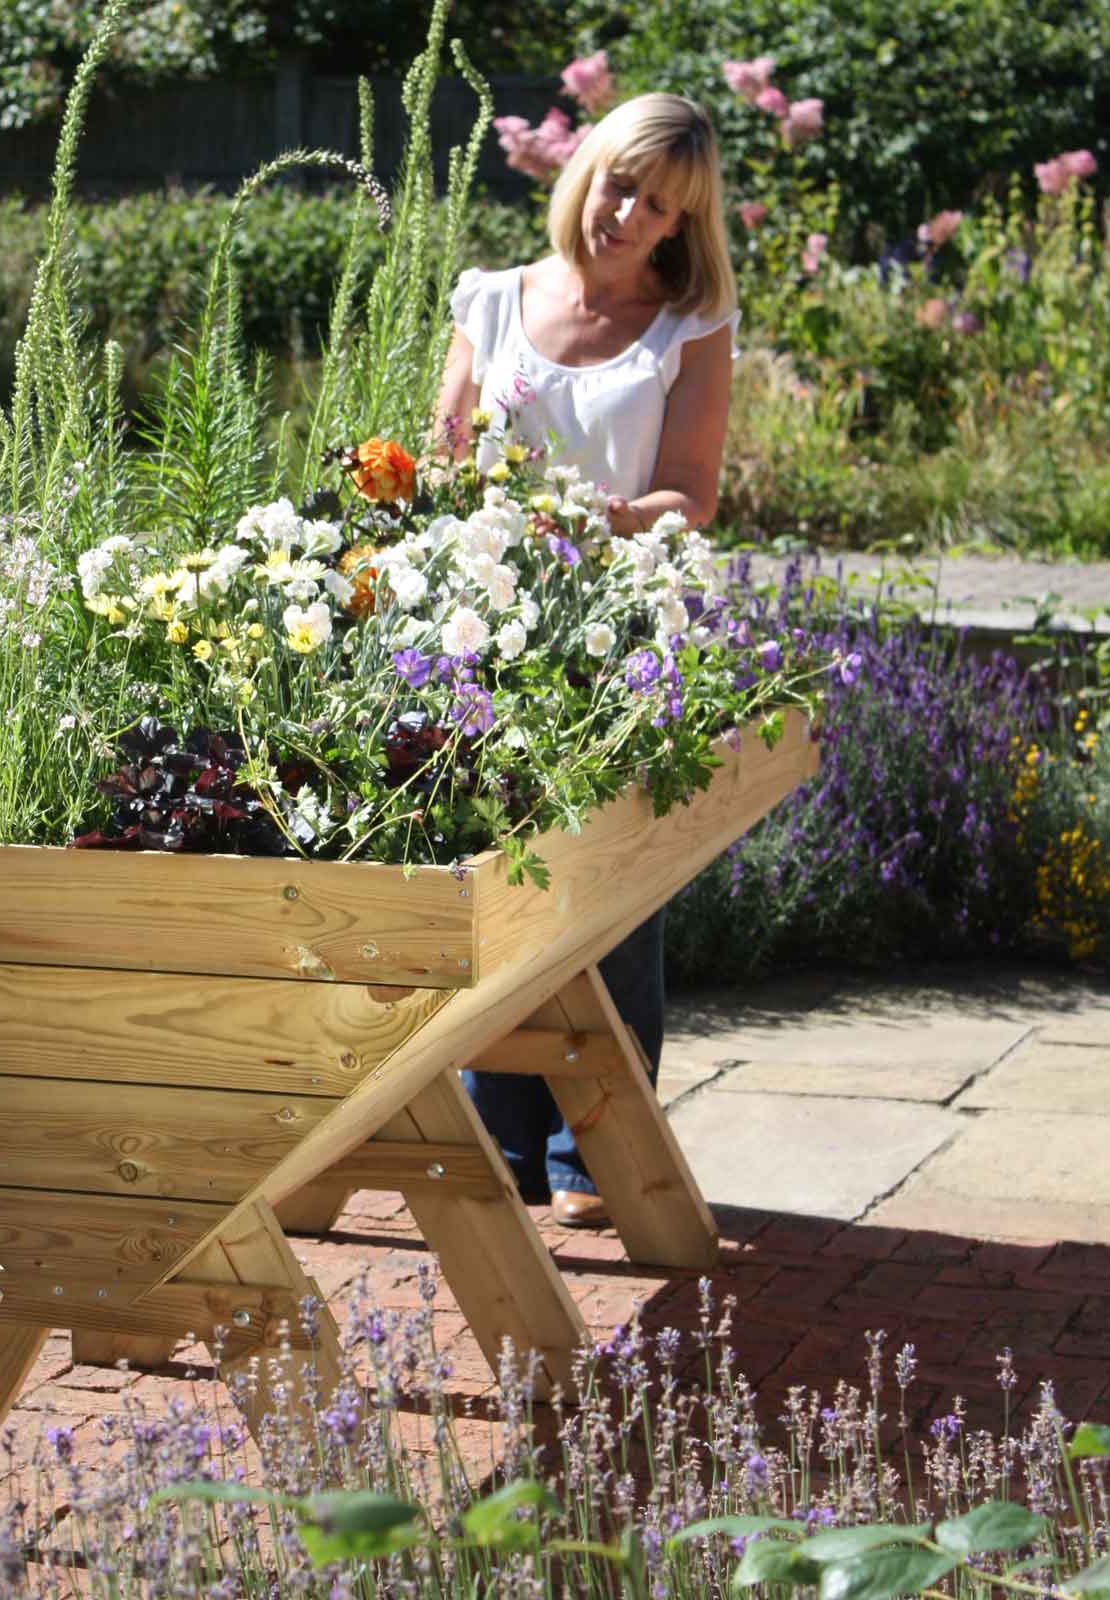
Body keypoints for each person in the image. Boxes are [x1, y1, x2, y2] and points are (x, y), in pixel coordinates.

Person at [434, 91, 739, 1229]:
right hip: (479, 633)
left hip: (622, 640)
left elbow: (690, 500)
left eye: (660, 206)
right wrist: (488, 514)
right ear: (584, 175)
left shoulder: (688, 327)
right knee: (495, 881)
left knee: (609, 889)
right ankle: (501, 1140)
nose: (629, 214)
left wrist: (584, 519)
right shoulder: (492, 299)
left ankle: (588, 1151)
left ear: (680, 226)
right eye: (621, 184)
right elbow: (444, 463)